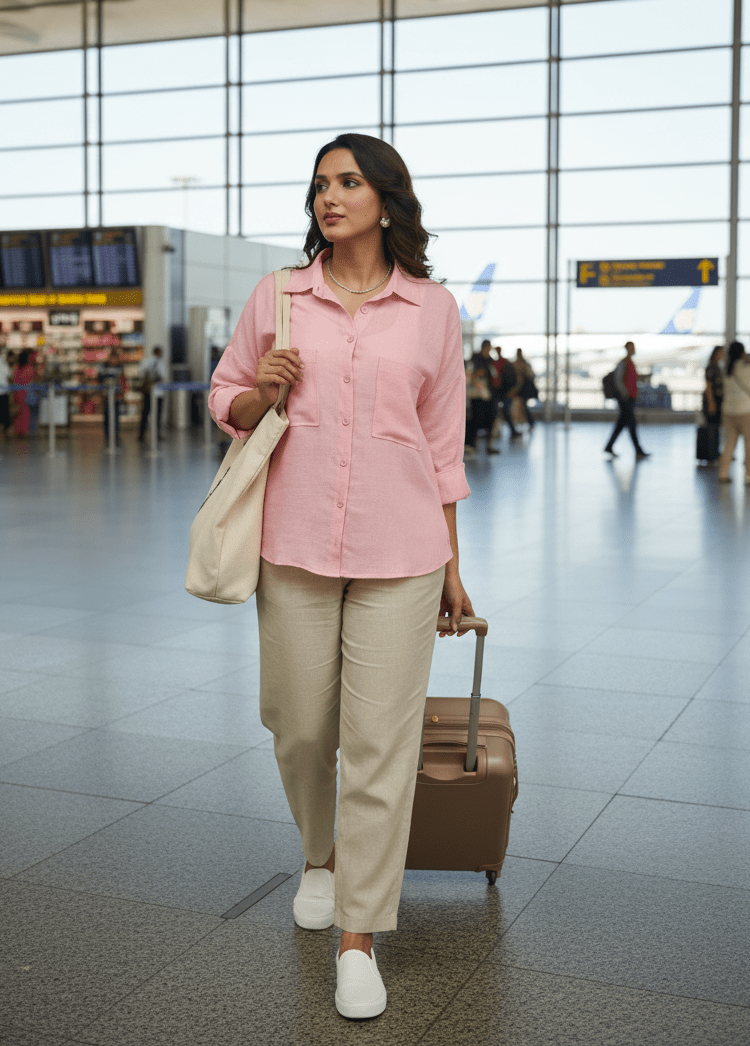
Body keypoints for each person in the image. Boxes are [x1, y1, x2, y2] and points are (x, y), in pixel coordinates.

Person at [208, 132, 473, 1021]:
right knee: (296, 724)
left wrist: (453, 566)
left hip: (404, 551)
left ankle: (359, 935)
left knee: (378, 744)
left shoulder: (432, 309)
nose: (330, 196)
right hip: (295, 542)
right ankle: (319, 853)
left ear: (387, 199)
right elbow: (224, 396)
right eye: (321, 183)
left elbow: (442, 445)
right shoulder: (279, 297)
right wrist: (260, 394)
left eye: (349, 181)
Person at [718, 341, 750, 485]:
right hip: (747, 410)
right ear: (743, 352)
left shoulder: (726, 369)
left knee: (729, 444)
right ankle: (749, 476)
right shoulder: (748, 366)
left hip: (728, 410)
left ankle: (723, 474)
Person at [604, 341, 649, 459]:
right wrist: (625, 394)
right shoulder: (623, 363)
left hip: (630, 398)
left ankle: (609, 446)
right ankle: (638, 450)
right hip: (626, 399)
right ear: (627, 349)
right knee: (632, 424)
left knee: (621, 424)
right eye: (632, 347)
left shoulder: (630, 363)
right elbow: (618, 380)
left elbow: (633, 379)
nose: (634, 349)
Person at [465, 339, 498, 454]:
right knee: (475, 419)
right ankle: (470, 444)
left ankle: (488, 445)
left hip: (488, 394)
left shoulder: (490, 360)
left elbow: (493, 376)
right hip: (477, 395)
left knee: (490, 419)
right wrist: (477, 375)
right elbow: (471, 374)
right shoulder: (475, 359)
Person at [138, 344, 166, 443]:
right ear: (159, 352)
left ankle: (141, 434)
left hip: (147, 391)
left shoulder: (146, 361)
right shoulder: (160, 362)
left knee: (145, 413)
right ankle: (157, 434)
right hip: (158, 392)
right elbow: (163, 375)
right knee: (157, 414)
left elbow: (140, 373)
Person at [100, 347, 127, 448]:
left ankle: (115, 434)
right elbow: (100, 378)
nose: (114, 360)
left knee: (116, 415)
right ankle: (107, 434)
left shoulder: (120, 367)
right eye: (112, 358)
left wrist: (122, 394)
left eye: (115, 358)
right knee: (107, 415)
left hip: (116, 396)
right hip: (106, 395)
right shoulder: (104, 366)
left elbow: (123, 380)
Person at [12, 350, 38, 437]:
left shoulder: (16, 368)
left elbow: (13, 379)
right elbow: (32, 380)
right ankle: (25, 431)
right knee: (26, 412)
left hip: (17, 392)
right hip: (27, 392)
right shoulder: (30, 368)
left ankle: (17, 430)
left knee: (18, 412)